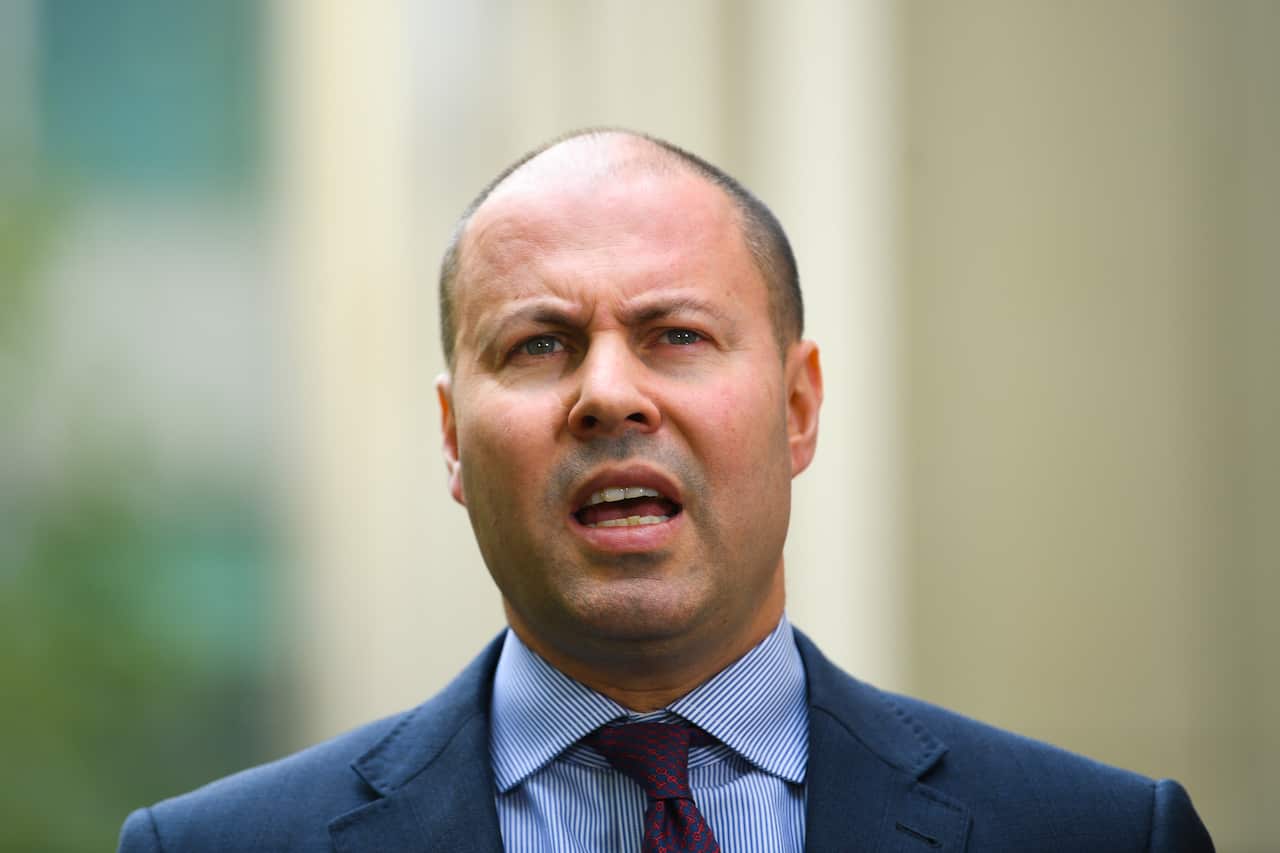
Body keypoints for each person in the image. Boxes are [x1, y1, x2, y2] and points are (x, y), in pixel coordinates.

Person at [118, 129, 1214, 852]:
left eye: (674, 335)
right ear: (452, 440)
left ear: (796, 406)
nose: (608, 394)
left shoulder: (1102, 835)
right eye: (540, 343)